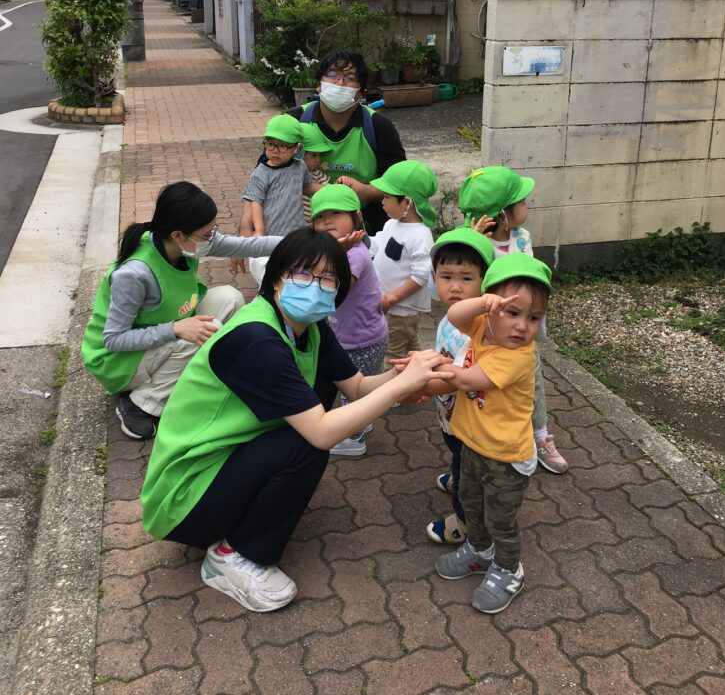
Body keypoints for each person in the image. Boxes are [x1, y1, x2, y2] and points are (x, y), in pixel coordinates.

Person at [140, 228, 449, 613]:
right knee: (306, 445)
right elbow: (320, 433)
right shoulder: (257, 339)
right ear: (277, 278)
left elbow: (356, 387)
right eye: (303, 273)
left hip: (224, 460)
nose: (315, 286)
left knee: (321, 389)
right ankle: (232, 556)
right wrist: (401, 385)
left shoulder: (310, 326)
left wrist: (404, 375)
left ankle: (250, 510)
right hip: (184, 497)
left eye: (328, 279)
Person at [81, 182, 284, 441]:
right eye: (207, 233)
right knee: (205, 333)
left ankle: (187, 373)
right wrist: (175, 329)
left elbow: (248, 246)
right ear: (178, 234)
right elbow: (113, 339)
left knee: (230, 299)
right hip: (116, 362)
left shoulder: (180, 243)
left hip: (159, 332)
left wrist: (304, 243)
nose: (213, 238)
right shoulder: (134, 275)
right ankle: (140, 403)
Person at [433, 254, 553, 615]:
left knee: (500, 520)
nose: (522, 327)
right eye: (512, 313)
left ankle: (508, 569)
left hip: (507, 459)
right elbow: (455, 316)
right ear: (492, 308)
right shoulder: (483, 326)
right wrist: (483, 303)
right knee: (471, 503)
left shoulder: (518, 356)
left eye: (533, 318)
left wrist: (430, 369)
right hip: (473, 445)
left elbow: (468, 379)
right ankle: (479, 551)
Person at [458, 166, 568, 475]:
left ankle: (540, 436)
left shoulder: (522, 238)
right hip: (488, 334)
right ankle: (475, 442)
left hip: (521, 333)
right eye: (522, 201)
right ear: (503, 214)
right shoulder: (475, 244)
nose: (527, 206)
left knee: (533, 383)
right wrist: (473, 243)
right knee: (484, 388)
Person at [423, 226, 496, 546]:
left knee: (467, 467)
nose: (454, 286)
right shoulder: (450, 319)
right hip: (450, 414)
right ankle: (458, 472)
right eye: (446, 276)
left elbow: (458, 377)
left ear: (485, 281)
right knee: (456, 451)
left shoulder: (479, 329)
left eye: (466, 278)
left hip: (470, 419)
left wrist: (419, 384)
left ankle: (465, 522)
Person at [286, 49, 406, 234]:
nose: (340, 83)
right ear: (318, 85)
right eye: (333, 75)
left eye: (350, 78)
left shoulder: (379, 127)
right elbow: (268, 173)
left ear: (361, 93)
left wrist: (366, 191)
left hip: (365, 223)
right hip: (303, 223)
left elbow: (401, 185)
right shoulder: (294, 122)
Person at [309, 185, 387, 458]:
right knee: (357, 387)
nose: (327, 221)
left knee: (351, 390)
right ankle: (362, 422)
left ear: (356, 217)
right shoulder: (341, 251)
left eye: (336, 213)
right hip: (354, 335)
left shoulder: (354, 254)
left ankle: (354, 438)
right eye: (320, 217)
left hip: (361, 339)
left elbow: (335, 289)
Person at [369, 160, 437, 359]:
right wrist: (360, 239)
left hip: (401, 310)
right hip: (391, 304)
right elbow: (378, 243)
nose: (382, 202)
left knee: (392, 354)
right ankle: (422, 373)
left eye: (387, 197)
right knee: (411, 347)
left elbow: (421, 275)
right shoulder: (392, 224)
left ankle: (393, 379)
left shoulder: (420, 235)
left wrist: (394, 297)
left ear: (406, 203)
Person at [239, 114, 324, 239]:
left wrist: (332, 189)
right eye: (270, 144)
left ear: (297, 148)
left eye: (282, 146)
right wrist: (259, 230)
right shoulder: (261, 173)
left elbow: (307, 186)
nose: (275, 150)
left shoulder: (300, 165)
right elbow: (255, 203)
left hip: (297, 232)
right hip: (270, 234)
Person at [299, 121, 331, 223]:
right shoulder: (286, 173)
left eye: (319, 156)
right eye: (314, 155)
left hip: (312, 223)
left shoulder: (317, 174)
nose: (318, 160)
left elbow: (330, 190)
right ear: (299, 153)